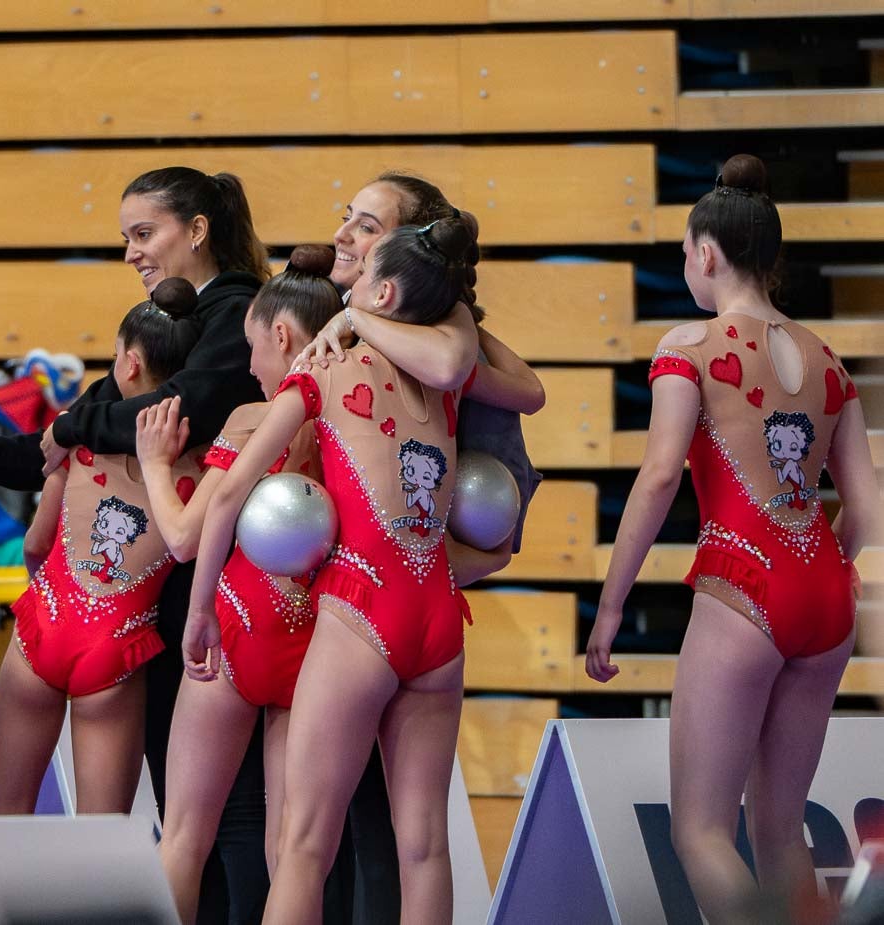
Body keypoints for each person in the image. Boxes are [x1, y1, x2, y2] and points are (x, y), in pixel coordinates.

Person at [0, 167, 273, 922]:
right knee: (165, 820)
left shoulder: (233, 317)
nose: (130, 251)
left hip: (161, 614)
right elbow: (67, 439)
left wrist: (66, 435)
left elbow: (161, 419)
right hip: (132, 623)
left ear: (196, 229)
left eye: (142, 233)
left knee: (210, 815)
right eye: (125, 237)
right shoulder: (172, 334)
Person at [585, 154, 880, 923]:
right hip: (823, 592)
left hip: (742, 582)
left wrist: (612, 603)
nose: (685, 267)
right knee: (781, 831)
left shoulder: (688, 345)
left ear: (706, 254)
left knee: (701, 831)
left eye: (684, 255)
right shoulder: (828, 361)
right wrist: (828, 569)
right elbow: (868, 501)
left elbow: (657, 478)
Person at [186, 217, 480, 925]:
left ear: (381, 290)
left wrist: (199, 608)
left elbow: (226, 494)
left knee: (303, 846)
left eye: (364, 272)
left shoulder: (325, 368)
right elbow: (464, 342)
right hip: (436, 615)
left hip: (361, 607)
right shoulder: (451, 378)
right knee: (426, 850)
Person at [301, 172, 546, 920]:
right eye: (346, 216)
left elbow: (505, 385)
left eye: (366, 225)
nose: (345, 233)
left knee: (322, 840)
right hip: (371, 597)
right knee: (359, 840)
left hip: (378, 600)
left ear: (408, 253)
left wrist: (355, 317)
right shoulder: (320, 306)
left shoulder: (442, 326)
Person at [137, 246, 340, 924]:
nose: (251, 367)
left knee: (186, 837)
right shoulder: (358, 417)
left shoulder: (255, 419)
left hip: (238, 624)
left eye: (254, 348)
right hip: (321, 638)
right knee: (293, 852)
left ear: (280, 336)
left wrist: (155, 467)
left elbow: (187, 535)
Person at [0, 279, 203, 816]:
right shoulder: (199, 464)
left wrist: (51, 594)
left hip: (45, 625)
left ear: (127, 365)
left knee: (3, 816)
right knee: (102, 833)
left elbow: (35, 544)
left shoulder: (77, 443)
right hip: (117, 643)